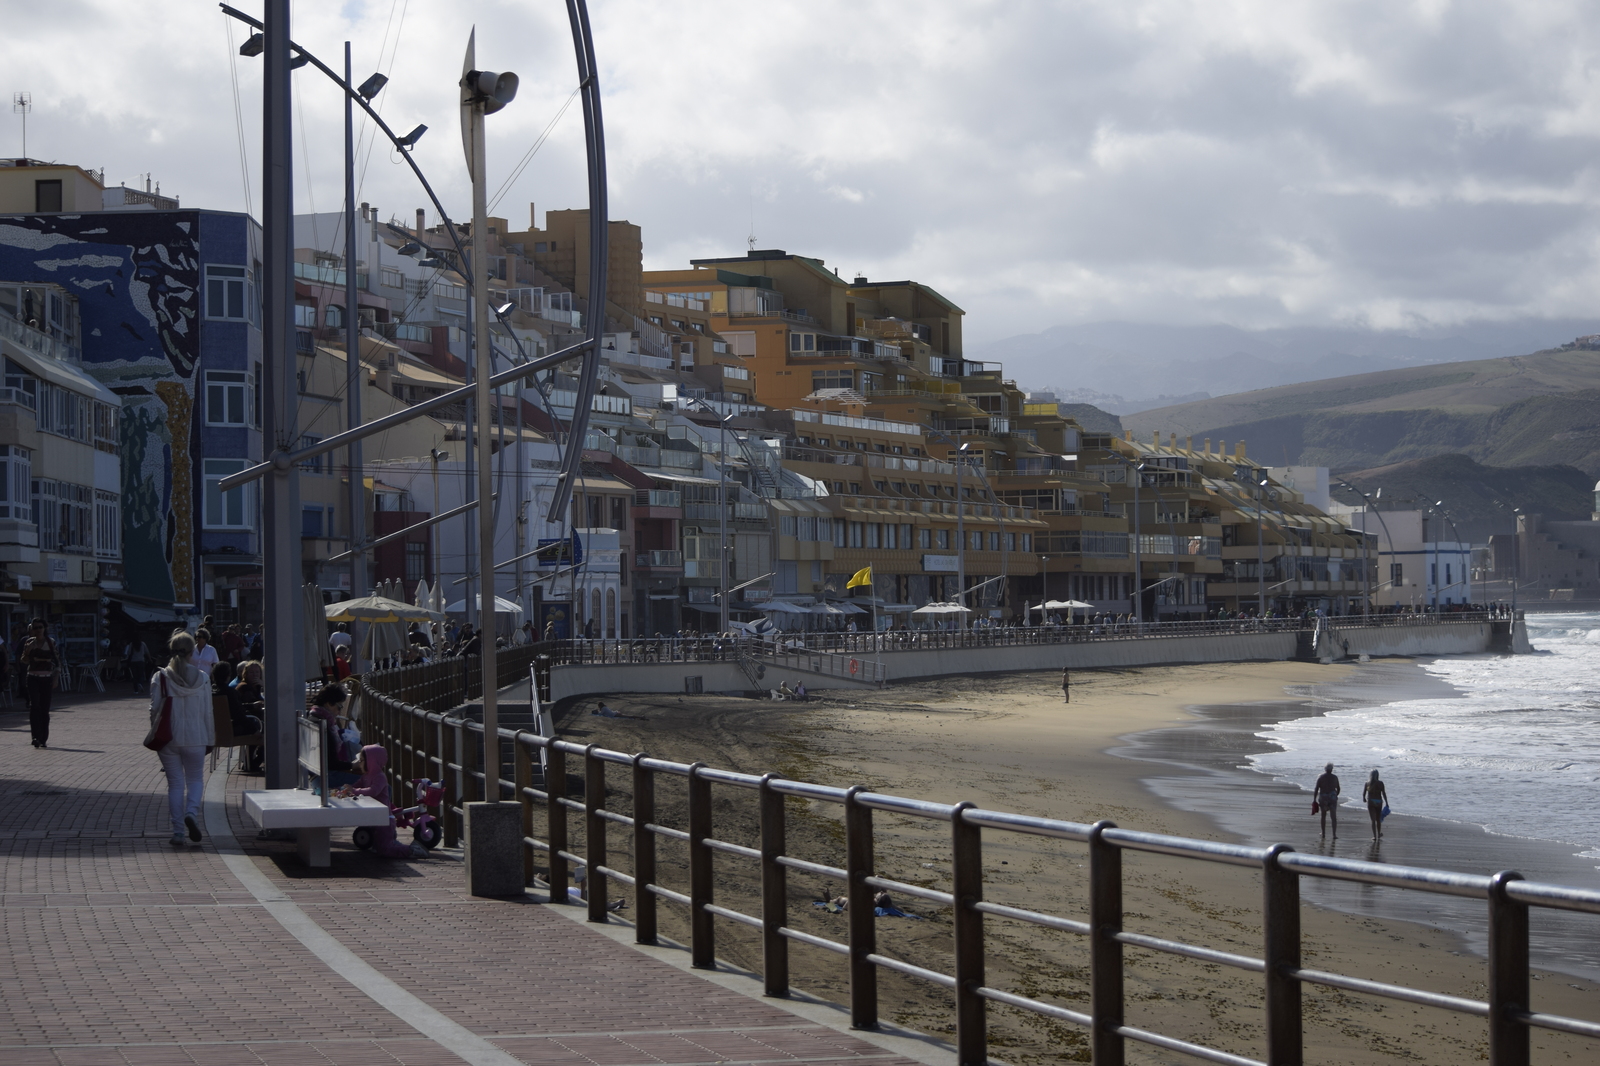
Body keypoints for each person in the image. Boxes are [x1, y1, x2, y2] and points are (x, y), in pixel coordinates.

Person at [147, 632, 215, 846]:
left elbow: (154, 708)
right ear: (193, 650)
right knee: (195, 780)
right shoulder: (203, 678)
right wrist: (210, 737)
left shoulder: (161, 678)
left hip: (169, 737)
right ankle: (191, 814)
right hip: (196, 736)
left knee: (175, 784)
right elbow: (208, 712)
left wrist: (155, 730)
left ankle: (178, 832)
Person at [337, 744, 427, 859]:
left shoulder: (380, 777)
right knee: (377, 847)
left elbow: (373, 791)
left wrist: (354, 790)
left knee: (385, 850)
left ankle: (412, 850)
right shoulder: (366, 776)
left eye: (362, 760)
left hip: (384, 820)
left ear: (371, 761)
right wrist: (345, 790)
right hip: (374, 818)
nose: (360, 763)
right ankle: (394, 843)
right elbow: (356, 786)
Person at [21, 619, 57, 748]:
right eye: (35, 628)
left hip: (46, 679)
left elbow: (58, 662)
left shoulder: (51, 643)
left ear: (44, 628)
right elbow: (24, 661)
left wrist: (55, 679)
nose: (38, 630)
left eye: (40, 627)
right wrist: (28, 651)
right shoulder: (29, 642)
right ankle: (35, 737)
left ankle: (43, 738)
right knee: (34, 706)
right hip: (33, 678)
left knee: (44, 709)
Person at [228, 660, 266, 773]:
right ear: (245, 674)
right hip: (243, 723)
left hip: (253, 721)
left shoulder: (256, 687)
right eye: (251, 672)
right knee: (269, 731)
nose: (255, 675)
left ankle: (253, 762)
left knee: (265, 727)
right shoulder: (244, 688)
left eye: (257, 672)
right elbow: (245, 707)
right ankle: (253, 762)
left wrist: (263, 687)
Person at [1313, 762, 1341, 838]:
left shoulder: (1321, 777)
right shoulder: (1335, 777)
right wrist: (1335, 796)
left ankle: (1323, 833)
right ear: (1332, 769)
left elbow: (1316, 789)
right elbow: (1338, 788)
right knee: (1333, 817)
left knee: (1323, 815)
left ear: (1325, 769)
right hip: (1332, 797)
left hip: (1323, 797)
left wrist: (1314, 799)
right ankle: (1334, 834)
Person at [1362, 770, 1389, 839]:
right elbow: (1383, 793)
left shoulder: (1367, 783)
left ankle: (1374, 836)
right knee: (1378, 819)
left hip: (1371, 801)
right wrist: (1387, 802)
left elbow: (1364, 793)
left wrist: (1364, 799)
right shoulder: (1380, 783)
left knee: (1373, 820)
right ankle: (1379, 834)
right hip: (1379, 802)